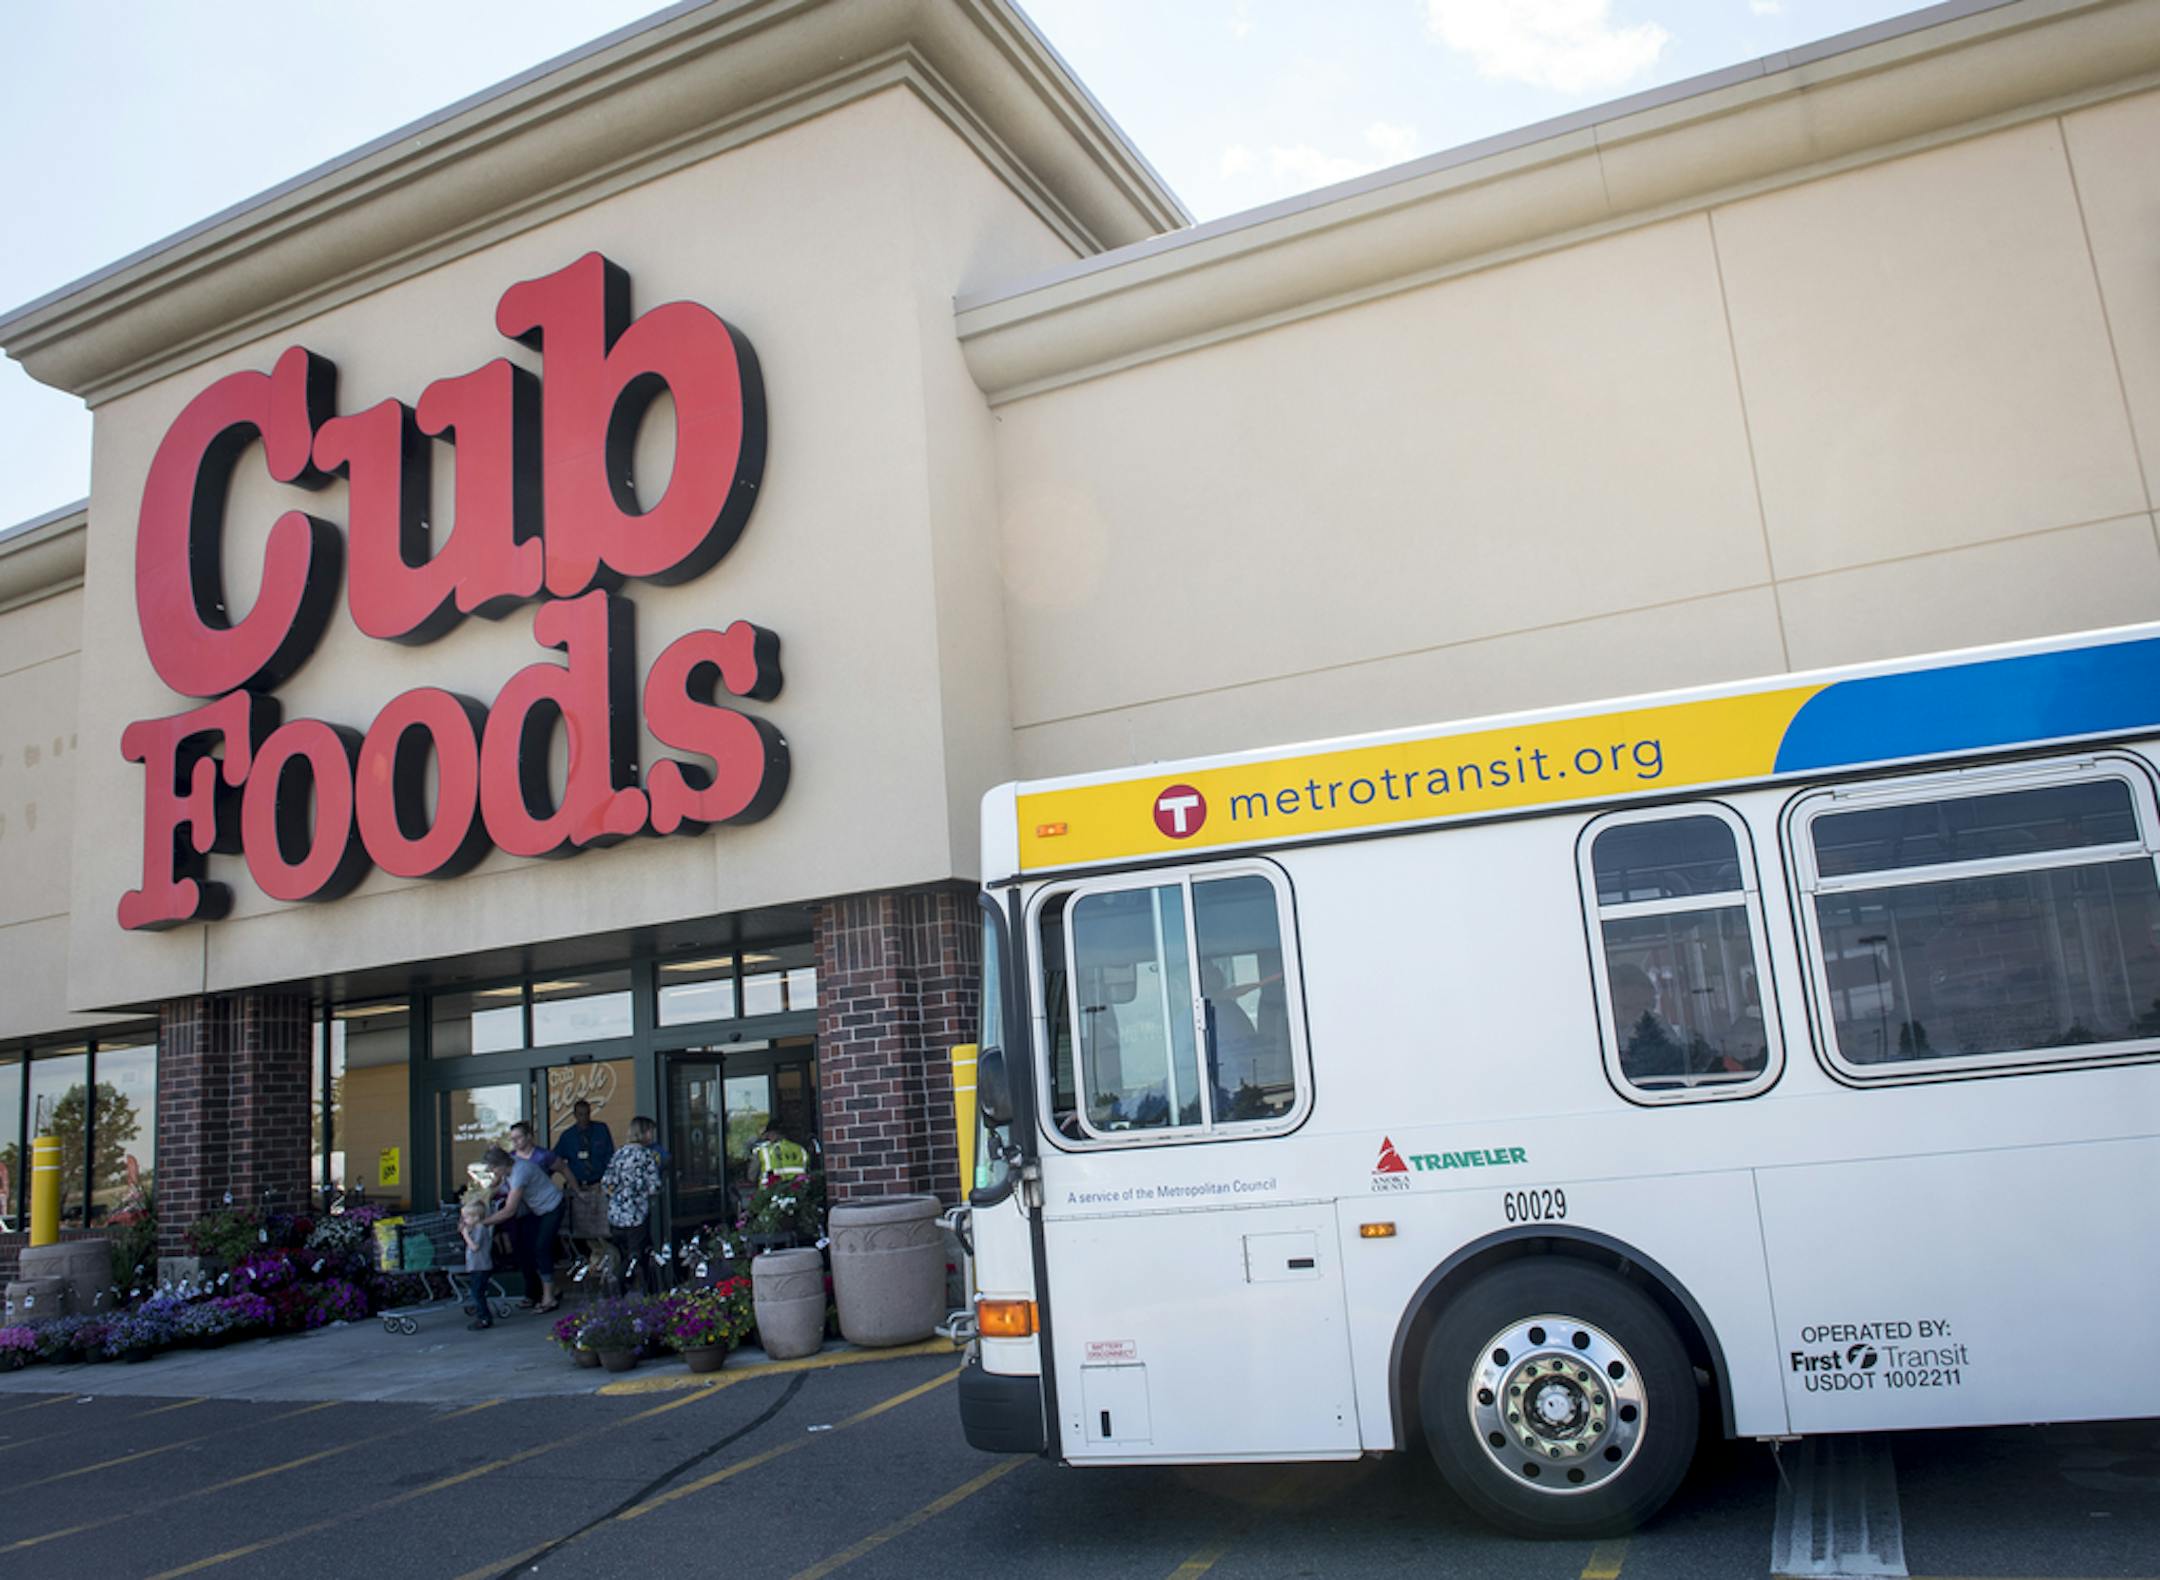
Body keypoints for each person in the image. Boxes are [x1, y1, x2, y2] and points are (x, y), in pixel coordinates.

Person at [481, 1143, 564, 1314]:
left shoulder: (520, 1172)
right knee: (526, 1249)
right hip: (537, 1209)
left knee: (541, 1248)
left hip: (552, 1207)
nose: (494, 1174)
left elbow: (509, 1210)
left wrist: (483, 1222)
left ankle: (550, 1298)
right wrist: (482, 1198)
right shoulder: (510, 1165)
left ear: (502, 1165)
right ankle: (548, 1289)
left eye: (494, 1169)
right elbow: (495, 1183)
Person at [602, 1115, 664, 1296]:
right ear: (644, 1133)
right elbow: (654, 1186)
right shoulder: (646, 1155)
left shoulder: (619, 1154)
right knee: (638, 1255)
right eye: (650, 1131)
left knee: (626, 1255)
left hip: (616, 1214)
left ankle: (631, 1291)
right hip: (636, 1215)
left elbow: (606, 1183)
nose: (652, 1135)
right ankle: (619, 1287)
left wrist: (619, 1194)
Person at [560, 1100, 615, 1188]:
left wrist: (608, 1179)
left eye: (587, 1114)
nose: (584, 1118)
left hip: (599, 1183)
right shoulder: (567, 1136)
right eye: (581, 1114)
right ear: (575, 1115)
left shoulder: (601, 1130)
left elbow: (610, 1156)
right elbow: (556, 1159)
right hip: (578, 1185)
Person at [458, 1197, 495, 1330]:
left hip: (481, 1266)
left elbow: (475, 1247)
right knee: (476, 1292)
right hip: (476, 1266)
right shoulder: (475, 1228)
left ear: (476, 1217)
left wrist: (465, 1235)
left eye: (466, 1217)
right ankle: (483, 1315)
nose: (464, 1221)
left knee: (477, 1293)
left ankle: (484, 1317)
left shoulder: (480, 1228)